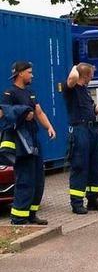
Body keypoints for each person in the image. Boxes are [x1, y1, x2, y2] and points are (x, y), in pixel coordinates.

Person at [3, 61, 56, 225]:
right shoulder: (9, 93)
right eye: (29, 72)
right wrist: (21, 114)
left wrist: (49, 127)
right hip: (21, 141)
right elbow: (3, 113)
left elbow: (39, 111)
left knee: (38, 178)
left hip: (34, 138)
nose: (32, 75)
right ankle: (18, 217)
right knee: (25, 178)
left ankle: (31, 214)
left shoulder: (30, 93)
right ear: (20, 73)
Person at [64, 63, 98, 214]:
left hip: (92, 130)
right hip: (79, 130)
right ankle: (76, 203)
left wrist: (95, 109)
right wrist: (76, 66)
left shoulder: (84, 89)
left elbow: (89, 106)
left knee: (95, 166)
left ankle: (92, 199)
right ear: (85, 75)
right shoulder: (70, 87)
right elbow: (73, 77)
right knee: (79, 165)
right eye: (91, 74)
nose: (93, 77)